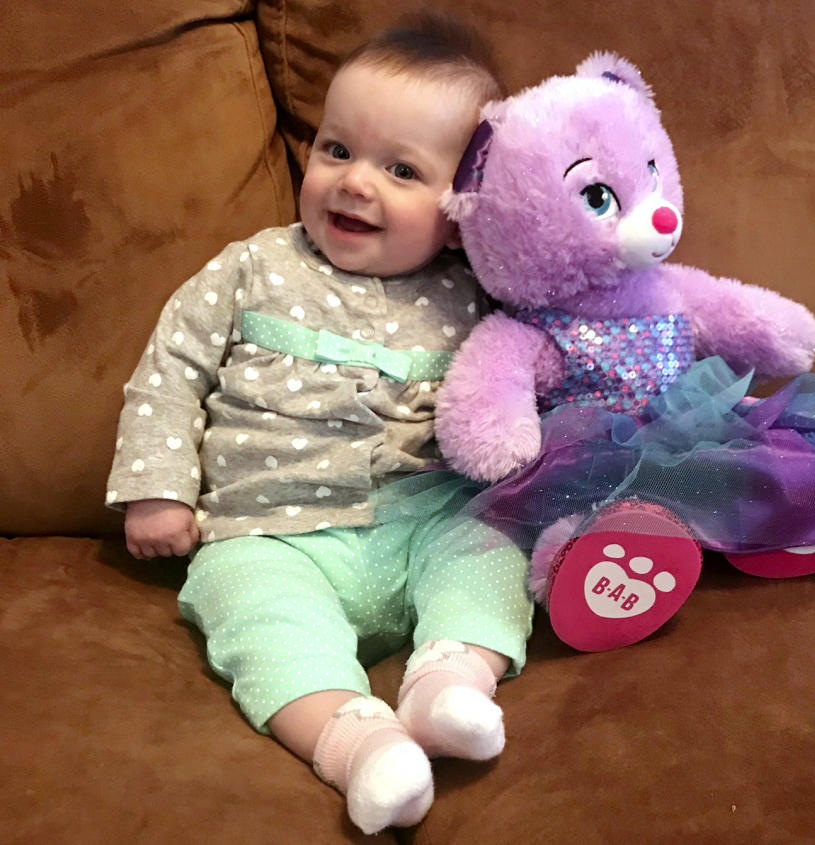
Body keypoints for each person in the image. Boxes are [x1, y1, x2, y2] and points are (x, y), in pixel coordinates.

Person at [105, 14, 532, 835]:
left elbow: (535, 383)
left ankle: (450, 682)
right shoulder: (254, 265)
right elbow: (171, 370)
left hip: (427, 520)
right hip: (271, 532)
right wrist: (157, 489)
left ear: (458, 211)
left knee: (493, 552)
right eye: (337, 149)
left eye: (401, 169)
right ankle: (359, 743)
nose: (354, 182)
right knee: (248, 604)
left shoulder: (477, 296)